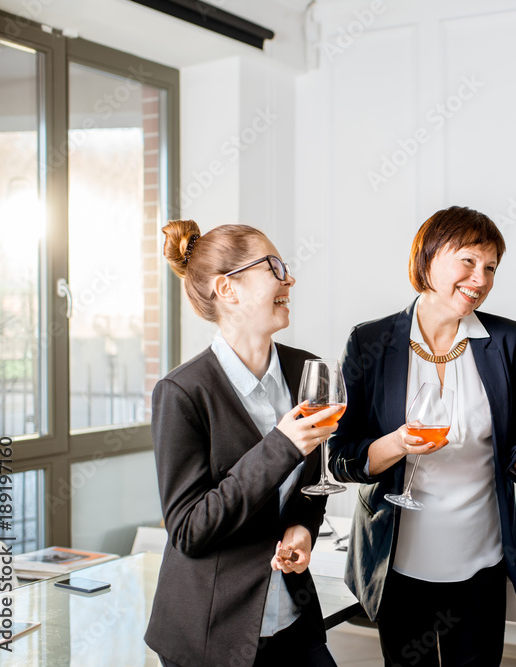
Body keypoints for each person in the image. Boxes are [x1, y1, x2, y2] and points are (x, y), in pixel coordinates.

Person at [328, 206, 516, 667]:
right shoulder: (370, 342)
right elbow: (341, 458)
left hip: (480, 560)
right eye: (468, 261)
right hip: (398, 562)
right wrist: (398, 443)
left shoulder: (506, 339)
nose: (479, 278)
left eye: (491, 268)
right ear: (428, 258)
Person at [147, 220, 340, 667]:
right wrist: (281, 446)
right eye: (273, 266)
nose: (288, 278)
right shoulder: (181, 393)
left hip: (293, 618)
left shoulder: (306, 371)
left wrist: (303, 529)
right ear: (228, 290)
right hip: (211, 633)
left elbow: (311, 488)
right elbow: (190, 531)